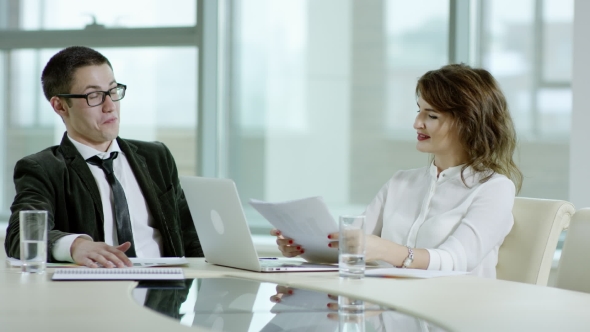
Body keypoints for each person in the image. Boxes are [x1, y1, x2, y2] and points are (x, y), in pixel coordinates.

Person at [272, 63, 523, 278]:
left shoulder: (495, 188)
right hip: (389, 312)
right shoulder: (401, 182)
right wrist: (305, 247)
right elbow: (354, 247)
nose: (417, 123)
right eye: (419, 110)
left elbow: (457, 261)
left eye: (431, 115)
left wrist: (384, 250)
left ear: (469, 122)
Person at [4, 46, 203, 268]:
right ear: (60, 105)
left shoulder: (156, 157)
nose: (110, 106)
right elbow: (20, 236)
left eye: (113, 91)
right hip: (94, 294)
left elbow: (191, 237)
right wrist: (75, 246)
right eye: (94, 96)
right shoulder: (42, 168)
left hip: (164, 293)